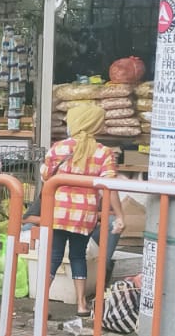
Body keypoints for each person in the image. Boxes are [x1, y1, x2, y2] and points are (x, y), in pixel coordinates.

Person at [42, 102, 124, 317]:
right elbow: (110, 187)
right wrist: (120, 216)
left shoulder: (59, 148)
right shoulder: (103, 152)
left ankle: (40, 305)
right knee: (78, 256)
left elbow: (45, 175)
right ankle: (81, 305)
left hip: (58, 211)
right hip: (85, 214)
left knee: (54, 257)